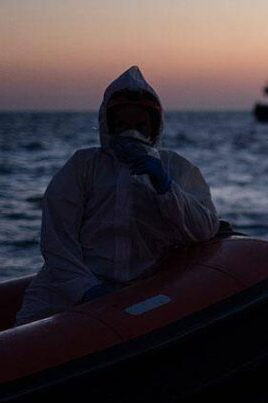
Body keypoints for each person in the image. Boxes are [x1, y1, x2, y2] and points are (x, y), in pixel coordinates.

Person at [17, 66, 219, 325]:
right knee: (27, 341)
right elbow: (57, 242)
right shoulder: (82, 166)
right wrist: (86, 290)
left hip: (142, 292)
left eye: (139, 126)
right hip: (65, 289)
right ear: (108, 124)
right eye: (122, 125)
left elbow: (203, 229)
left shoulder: (177, 170)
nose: (131, 133)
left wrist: (166, 189)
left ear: (154, 127)